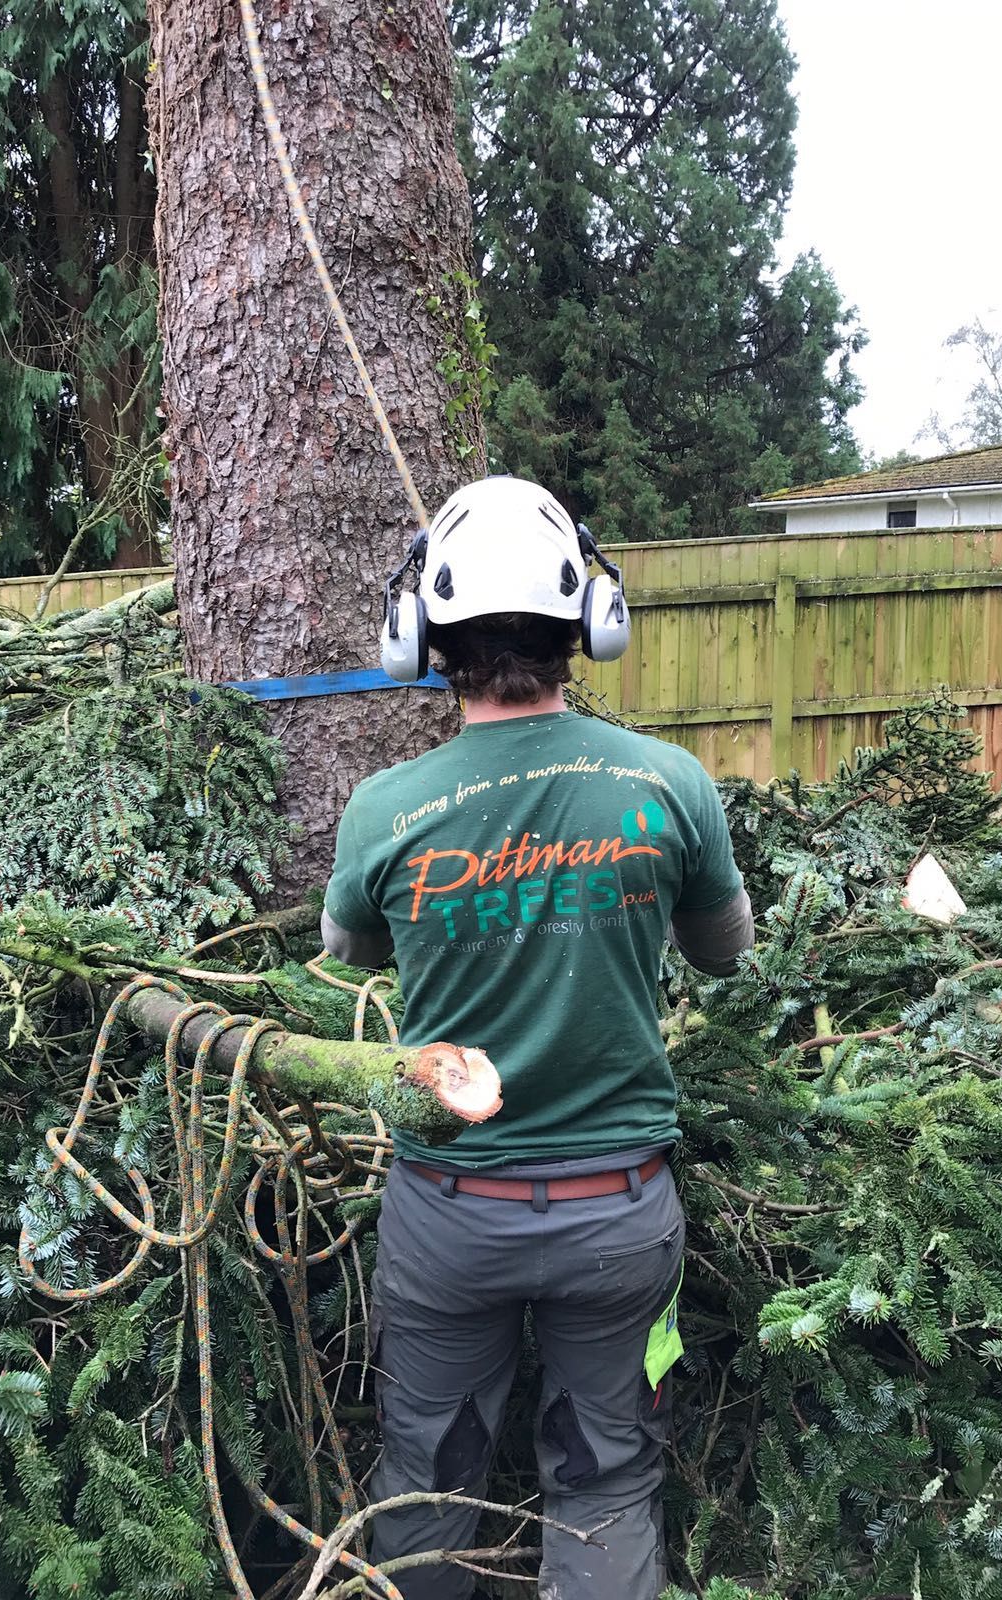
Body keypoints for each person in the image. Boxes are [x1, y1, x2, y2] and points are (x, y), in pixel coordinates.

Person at [321, 476, 754, 1600]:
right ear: (589, 623)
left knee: (424, 1483)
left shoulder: (383, 808)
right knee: (609, 1484)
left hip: (449, 1218)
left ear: (424, 637)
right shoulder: (671, 783)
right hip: (621, 1219)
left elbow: (351, 954)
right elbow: (725, 952)